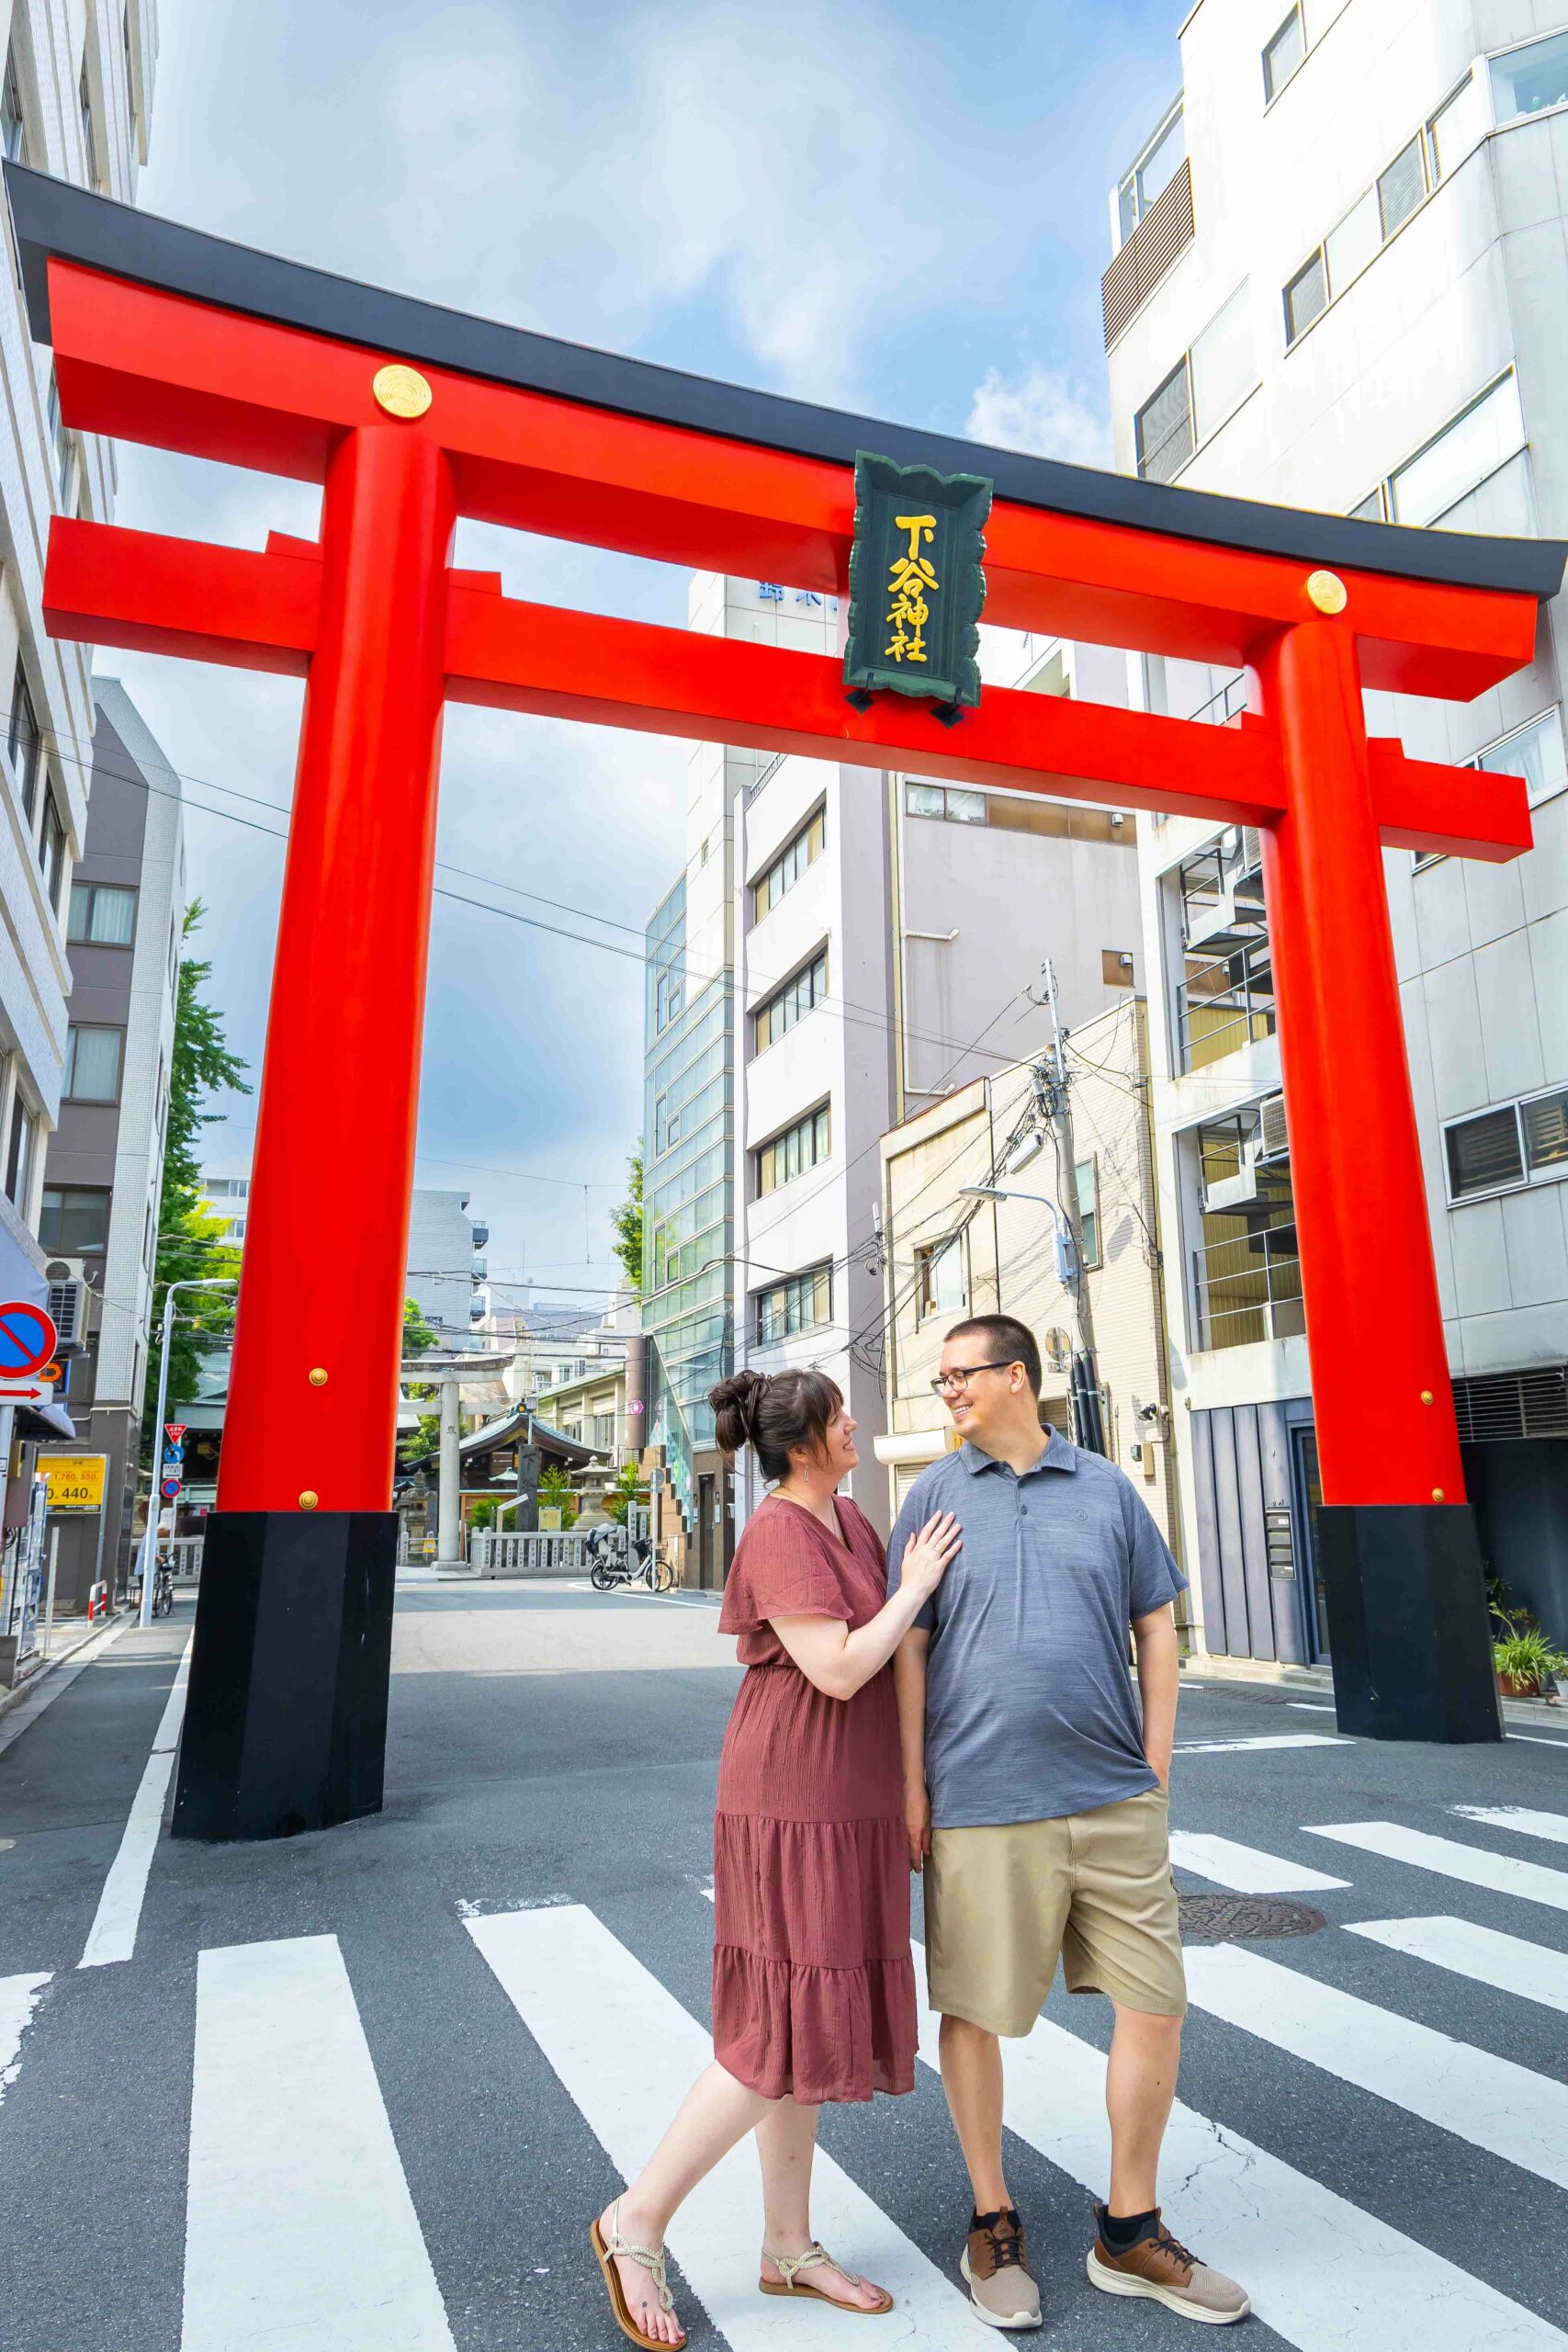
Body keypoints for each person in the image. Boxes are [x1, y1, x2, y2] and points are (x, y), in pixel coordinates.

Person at [887, 1314, 1249, 2333]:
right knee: (974, 2009)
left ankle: (1129, 2229)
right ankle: (992, 2217)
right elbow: (910, 1648)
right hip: (982, 1799)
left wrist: (1157, 1761)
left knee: (1156, 2004)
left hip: (1114, 1798)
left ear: (1016, 1378)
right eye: (941, 1377)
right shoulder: (931, 1494)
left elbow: (1155, 1624)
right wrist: (912, 1784)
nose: (946, 1390)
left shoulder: (1104, 1488)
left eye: (960, 1374)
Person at [592, 1366, 962, 2347]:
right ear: (805, 1442)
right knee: (779, 2026)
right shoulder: (780, 1530)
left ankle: (788, 2244)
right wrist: (917, 1583)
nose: (855, 1425)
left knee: (799, 2021)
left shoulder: (849, 1521)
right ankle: (637, 2218)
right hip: (796, 1795)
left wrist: (909, 1785)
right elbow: (839, 1668)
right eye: (842, 1416)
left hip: (848, 1797)